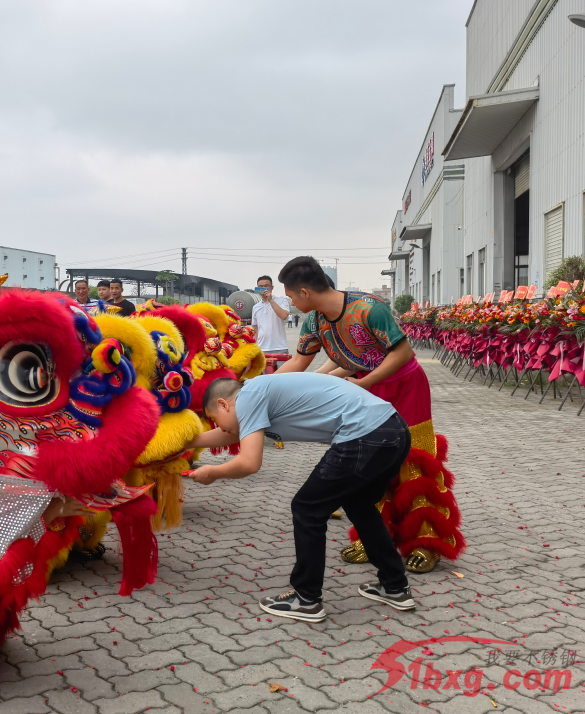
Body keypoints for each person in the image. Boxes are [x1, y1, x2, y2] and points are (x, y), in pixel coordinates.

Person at [275, 256, 463, 573]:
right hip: (363, 385)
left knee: (413, 461)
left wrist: (364, 382)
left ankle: (427, 542)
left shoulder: (368, 308)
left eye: (291, 295)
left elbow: (403, 352)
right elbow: (300, 364)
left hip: (404, 386)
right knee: (368, 462)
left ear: (305, 292)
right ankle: (374, 538)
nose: (290, 302)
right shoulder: (313, 321)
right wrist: (262, 388)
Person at [187, 375, 416, 622]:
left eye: (215, 421)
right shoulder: (256, 392)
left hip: (363, 435)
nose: (219, 428)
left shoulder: (248, 397)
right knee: (359, 505)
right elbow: (232, 434)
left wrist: (213, 472)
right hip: (393, 429)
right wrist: (184, 443)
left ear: (223, 404)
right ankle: (395, 586)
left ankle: (306, 599)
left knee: (307, 508)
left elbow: (249, 463)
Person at [248, 275, 291, 355]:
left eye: (266, 286)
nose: (263, 289)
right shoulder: (255, 307)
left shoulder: (281, 300)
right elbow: (255, 328)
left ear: (272, 287)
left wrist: (270, 300)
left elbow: (284, 316)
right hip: (261, 349)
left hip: (280, 348)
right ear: (257, 288)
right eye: (260, 286)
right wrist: (253, 346)